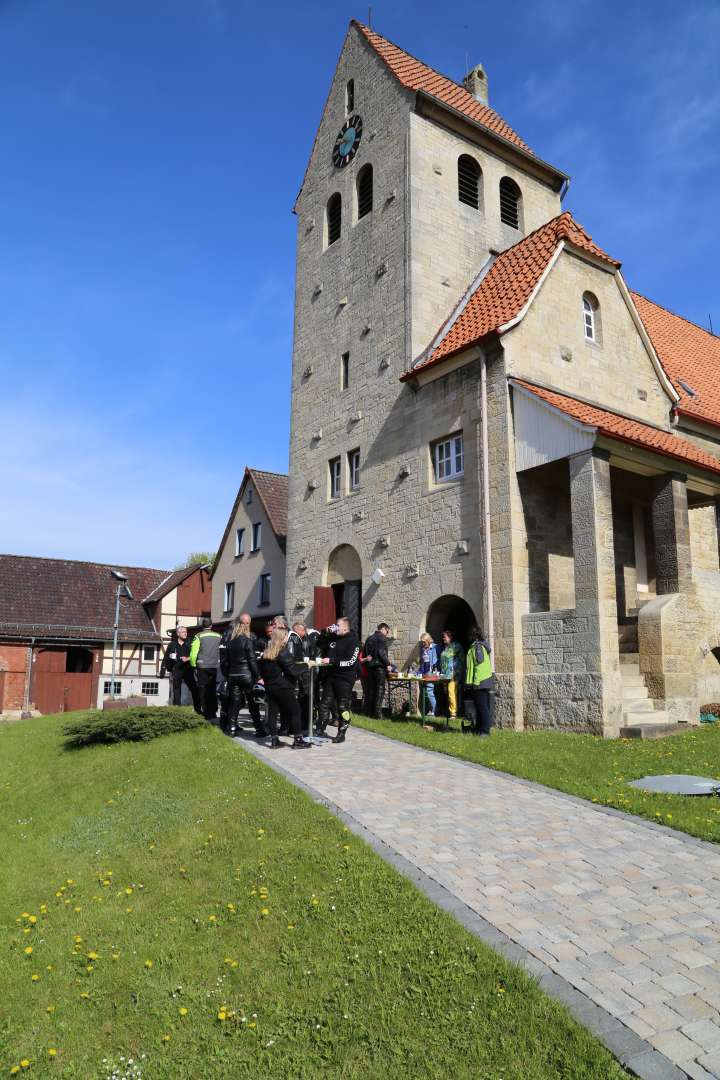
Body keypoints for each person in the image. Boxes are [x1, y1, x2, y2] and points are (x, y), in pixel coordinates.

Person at [259, 627, 312, 749]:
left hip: (270, 686)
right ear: (283, 637)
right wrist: (307, 665)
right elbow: (293, 670)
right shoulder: (282, 651)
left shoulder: (267, 652)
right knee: (296, 711)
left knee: (272, 713)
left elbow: (263, 671)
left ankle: (274, 740)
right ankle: (298, 740)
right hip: (282, 687)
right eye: (286, 636)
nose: (288, 638)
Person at [317, 617, 360, 744]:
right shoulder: (333, 638)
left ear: (345, 627)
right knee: (325, 703)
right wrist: (324, 632)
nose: (335, 627)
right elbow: (319, 644)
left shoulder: (353, 641)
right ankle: (320, 729)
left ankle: (341, 733)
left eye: (337, 625)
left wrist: (332, 661)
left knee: (343, 706)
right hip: (330, 676)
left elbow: (351, 661)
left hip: (345, 677)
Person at [220, 617, 265, 737]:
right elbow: (252, 660)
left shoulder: (230, 642)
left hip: (233, 675)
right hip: (246, 675)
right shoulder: (247, 641)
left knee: (234, 703)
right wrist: (258, 676)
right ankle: (259, 729)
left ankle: (232, 729)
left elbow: (226, 661)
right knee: (252, 703)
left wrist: (227, 674)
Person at [288, 621, 321, 735]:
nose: (295, 633)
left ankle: (306, 723)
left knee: (306, 696)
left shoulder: (307, 639)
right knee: (304, 696)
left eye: (296, 631)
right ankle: (304, 722)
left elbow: (309, 654)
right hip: (304, 670)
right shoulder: (299, 638)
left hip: (306, 671)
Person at [160, 625, 201, 712]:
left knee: (194, 689)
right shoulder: (172, 644)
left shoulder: (190, 643)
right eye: (183, 632)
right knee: (176, 690)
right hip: (176, 669)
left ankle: (198, 710)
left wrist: (187, 658)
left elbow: (197, 654)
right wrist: (162, 670)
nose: (185, 633)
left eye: (186, 632)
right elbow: (166, 657)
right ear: (178, 634)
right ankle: (177, 710)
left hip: (188, 669)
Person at [189, 618, 222, 722]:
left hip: (202, 666)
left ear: (202, 626)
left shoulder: (198, 636)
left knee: (203, 689)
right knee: (212, 689)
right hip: (214, 666)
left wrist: (193, 664)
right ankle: (213, 711)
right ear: (211, 626)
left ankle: (206, 712)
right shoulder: (218, 636)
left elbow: (193, 653)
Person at [464, 626, 495, 736]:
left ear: (473, 635)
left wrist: (476, 683)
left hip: (480, 682)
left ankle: (485, 730)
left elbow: (479, 666)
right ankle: (478, 728)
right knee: (479, 707)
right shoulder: (477, 646)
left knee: (482, 708)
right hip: (483, 681)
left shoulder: (477, 647)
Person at [362, 622, 392, 718]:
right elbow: (381, 652)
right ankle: (378, 714)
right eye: (387, 631)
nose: (387, 634)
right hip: (379, 668)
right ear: (383, 629)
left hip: (370, 668)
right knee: (380, 689)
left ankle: (369, 712)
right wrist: (388, 664)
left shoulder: (369, 638)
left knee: (371, 689)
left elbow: (365, 654)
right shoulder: (382, 638)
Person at [439, 629, 465, 722]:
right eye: (443, 637)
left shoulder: (456, 646)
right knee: (447, 693)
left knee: (451, 692)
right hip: (445, 674)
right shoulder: (446, 647)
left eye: (445, 637)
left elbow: (462, 659)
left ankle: (453, 713)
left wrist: (459, 671)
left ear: (450, 637)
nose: (443, 638)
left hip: (454, 674)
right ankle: (449, 711)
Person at [418, 632, 439, 716]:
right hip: (424, 672)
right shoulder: (423, 649)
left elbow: (435, 661)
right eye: (422, 642)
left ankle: (434, 710)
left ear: (428, 640)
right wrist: (419, 671)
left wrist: (434, 671)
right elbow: (421, 661)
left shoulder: (434, 648)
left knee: (429, 691)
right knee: (425, 692)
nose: (423, 644)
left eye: (424, 642)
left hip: (431, 673)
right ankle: (430, 710)